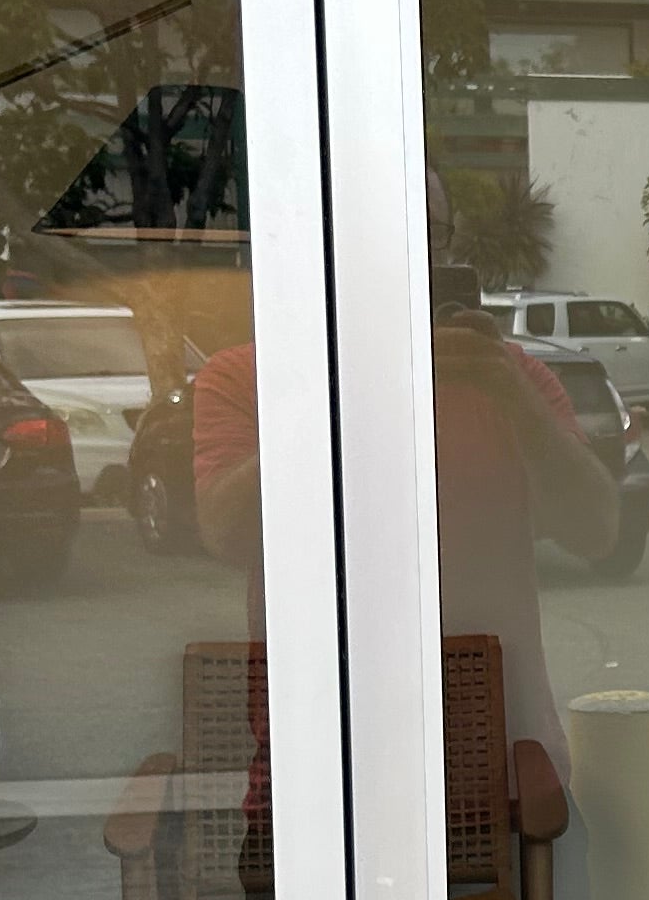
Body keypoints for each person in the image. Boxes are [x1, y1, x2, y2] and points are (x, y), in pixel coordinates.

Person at [189, 250, 625, 772]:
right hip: (321, 773)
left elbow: (597, 531)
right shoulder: (253, 377)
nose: (414, 250)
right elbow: (229, 531)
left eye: (433, 234)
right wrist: (343, 382)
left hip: (503, 765)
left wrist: (517, 399)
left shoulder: (507, 376)